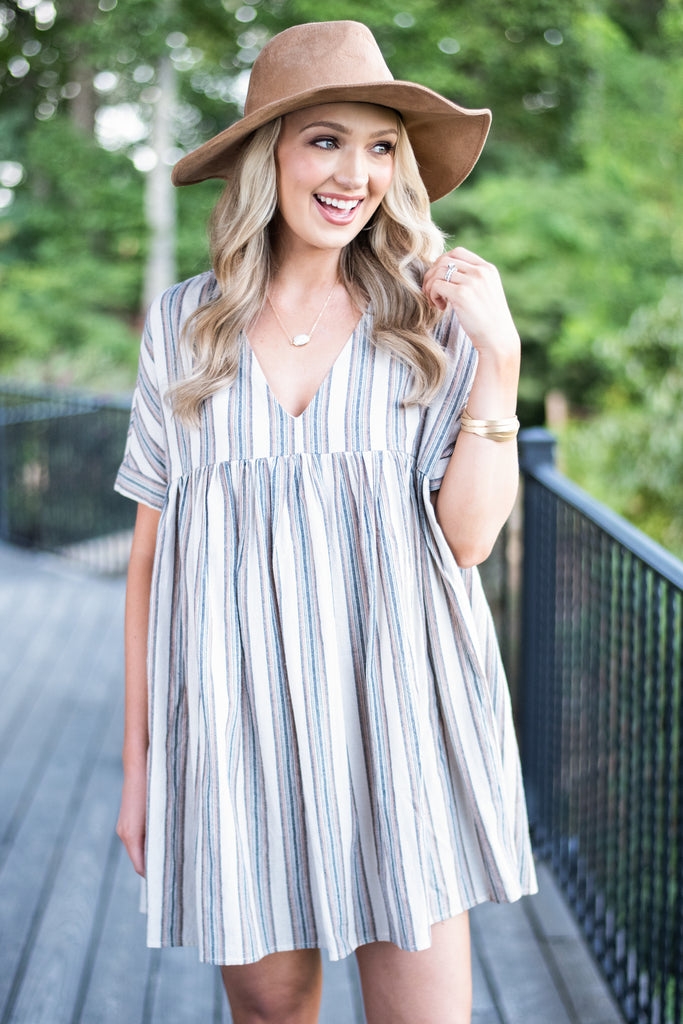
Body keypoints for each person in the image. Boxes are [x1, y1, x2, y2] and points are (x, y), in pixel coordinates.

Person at [115, 20, 537, 1024]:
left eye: (381, 146)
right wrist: (139, 771)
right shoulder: (185, 326)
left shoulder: (427, 326)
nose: (356, 173)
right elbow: (147, 561)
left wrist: (503, 364)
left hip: (400, 725)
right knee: (267, 1009)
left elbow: (467, 541)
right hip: (234, 729)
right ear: (271, 156)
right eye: (326, 140)